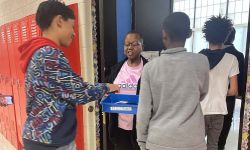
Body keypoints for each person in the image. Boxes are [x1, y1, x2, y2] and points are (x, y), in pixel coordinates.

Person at [18, 1, 119, 149]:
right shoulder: (49, 55)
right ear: (59, 21)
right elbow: (80, 92)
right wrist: (109, 87)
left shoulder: (37, 52)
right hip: (50, 141)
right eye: (72, 26)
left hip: (40, 137)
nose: (74, 32)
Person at [136, 12, 209, 150]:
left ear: (164, 34)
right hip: (193, 141)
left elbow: (144, 110)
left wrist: (142, 141)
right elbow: (203, 94)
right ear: (189, 34)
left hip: (159, 141)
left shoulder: (150, 68)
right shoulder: (201, 61)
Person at [199, 16, 239, 150]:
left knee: (197, 145)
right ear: (226, 35)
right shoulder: (232, 59)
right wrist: (220, 91)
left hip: (200, 110)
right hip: (219, 111)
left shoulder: (198, 57)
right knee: (213, 145)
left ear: (206, 36)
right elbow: (233, 91)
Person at [105, 31, 148, 150]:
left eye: (134, 44)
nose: (129, 47)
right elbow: (108, 91)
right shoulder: (116, 69)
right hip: (120, 129)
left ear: (142, 47)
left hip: (141, 128)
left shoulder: (149, 69)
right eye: (126, 44)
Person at [218, 27, 245, 150]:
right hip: (229, 98)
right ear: (233, 38)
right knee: (225, 127)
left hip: (209, 97)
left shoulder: (207, 53)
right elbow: (240, 80)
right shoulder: (238, 55)